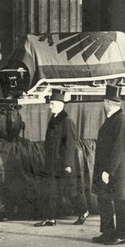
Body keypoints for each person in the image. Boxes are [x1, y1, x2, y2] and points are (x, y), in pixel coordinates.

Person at [91, 85, 125, 245]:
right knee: (104, 200)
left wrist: (108, 171)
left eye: (105, 102)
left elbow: (118, 148)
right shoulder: (113, 118)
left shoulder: (121, 120)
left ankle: (122, 235)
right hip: (108, 170)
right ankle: (108, 232)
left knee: (119, 203)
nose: (103, 104)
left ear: (108, 102)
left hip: (116, 171)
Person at [35, 89, 88, 227]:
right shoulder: (53, 120)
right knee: (50, 190)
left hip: (63, 163)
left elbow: (70, 145)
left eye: (52, 103)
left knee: (70, 190)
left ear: (60, 104)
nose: (49, 106)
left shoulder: (67, 121)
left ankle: (83, 211)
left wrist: (68, 164)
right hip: (52, 163)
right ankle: (50, 218)